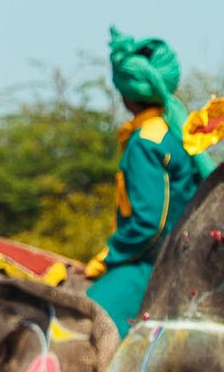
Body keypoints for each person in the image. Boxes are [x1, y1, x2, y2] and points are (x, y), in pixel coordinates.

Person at [87, 28, 211, 335]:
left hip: (153, 264)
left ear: (126, 96)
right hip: (183, 254)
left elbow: (148, 225)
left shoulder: (146, 141)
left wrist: (103, 261)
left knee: (83, 325)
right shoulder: (175, 132)